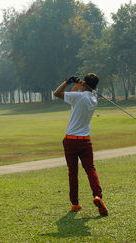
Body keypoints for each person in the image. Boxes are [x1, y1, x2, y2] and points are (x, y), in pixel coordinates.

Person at [53, 73, 108, 216]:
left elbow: (57, 93)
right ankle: (97, 196)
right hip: (85, 140)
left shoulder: (78, 97)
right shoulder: (94, 100)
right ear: (95, 87)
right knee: (90, 169)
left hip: (71, 140)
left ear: (85, 84)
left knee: (73, 173)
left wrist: (68, 81)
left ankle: (75, 203)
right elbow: (74, 97)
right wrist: (79, 85)